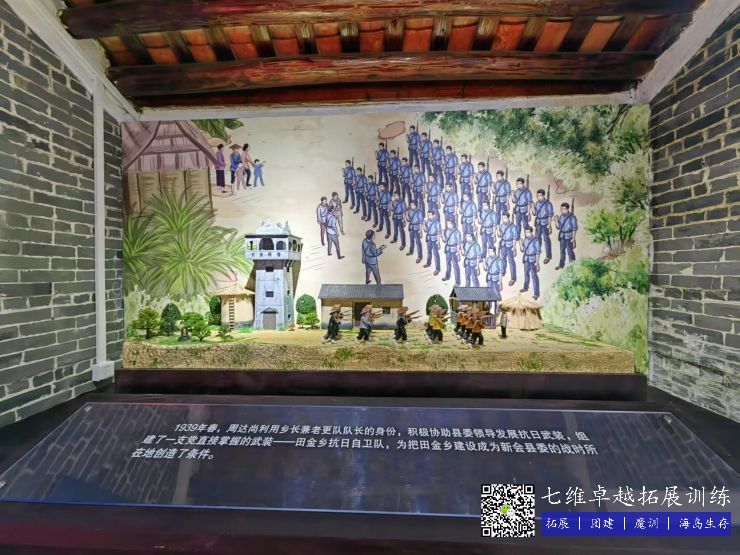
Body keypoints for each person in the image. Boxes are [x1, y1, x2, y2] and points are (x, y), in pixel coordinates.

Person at [533, 189, 554, 264]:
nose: (538, 197)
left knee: (546, 239)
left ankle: (548, 256)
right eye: (537, 195)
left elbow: (550, 215)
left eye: (539, 195)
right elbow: (535, 213)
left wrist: (549, 225)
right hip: (538, 222)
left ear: (543, 195)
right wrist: (533, 207)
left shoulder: (548, 204)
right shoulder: (537, 203)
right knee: (537, 239)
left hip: (545, 223)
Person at [555, 202, 578, 270]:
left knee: (570, 251)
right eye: (561, 209)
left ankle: (573, 265)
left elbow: (574, 229)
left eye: (563, 209)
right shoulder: (561, 216)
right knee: (562, 251)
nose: (562, 210)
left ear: (567, 209)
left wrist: (573, 238)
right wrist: (556, 220)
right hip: (562, 236)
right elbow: (559, 227)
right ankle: (561, 265)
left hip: (569, 236)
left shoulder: (572, 217)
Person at [520, 226, 541, 299]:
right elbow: (523, 250)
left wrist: (537, 262)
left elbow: (538, 252)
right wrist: (520, 243)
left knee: (534, 276)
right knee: (526, 274)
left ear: (531, 232)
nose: (527, 233)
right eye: (526, 232)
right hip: (526, 259)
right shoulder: (525, 239)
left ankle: (536, 293)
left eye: (528, 232)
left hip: (533, 260)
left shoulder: (536, 241)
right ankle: (525, 287)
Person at [499, 212, 519, 286]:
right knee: (503, 259)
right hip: (503, 244)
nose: (503, 219)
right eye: (503, 218)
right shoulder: (502, 225)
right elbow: (501, 234)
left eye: (505, 218)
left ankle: (513, 278)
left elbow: (514, 238)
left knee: (511, 261)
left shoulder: (513, 227)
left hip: (510, 245)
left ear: (508, 218)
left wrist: (514, 247)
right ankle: (503, 271)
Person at [442, 220, 462, 285]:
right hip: (448, 249)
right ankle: (447, 276)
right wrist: (442, 234)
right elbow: (445, 240)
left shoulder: (457, 232)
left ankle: (457, 282)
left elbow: (459, 243)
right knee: (448, 263)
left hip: (454, 250)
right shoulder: (447, 231)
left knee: (455, 265)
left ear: (453, 224)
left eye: (449, 223)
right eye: (447, 223)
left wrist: (458, 252)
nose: (448, 225)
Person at [424, 210, 441, 275]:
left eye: (430, 215)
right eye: (428, 215)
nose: (429, 216)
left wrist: (438, 242)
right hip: (429, 238)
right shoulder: (428, 221)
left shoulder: (437, 223)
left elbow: (439, 233)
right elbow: (426, 230)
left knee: (436, 254)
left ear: (434, 215)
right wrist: (424, 224)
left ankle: (437, 269)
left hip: (434, 239)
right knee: (429, 251)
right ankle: (428, 263)